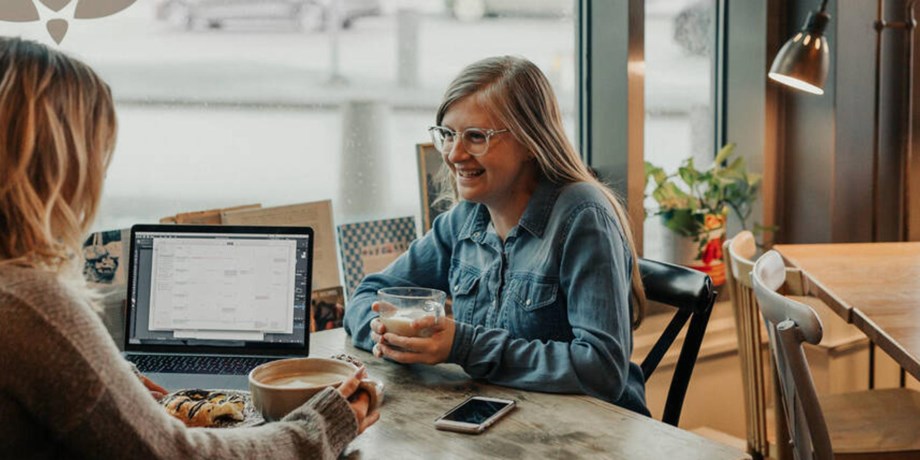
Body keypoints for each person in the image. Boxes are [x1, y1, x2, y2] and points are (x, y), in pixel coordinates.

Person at [0, 37, 378, 458]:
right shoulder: (30, 303)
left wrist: (110, 385)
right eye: (95, 153)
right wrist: (326, 423)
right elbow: (179, 455)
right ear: (57, 165)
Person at [344, 56, 650, 416]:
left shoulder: (584, 216)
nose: (454, 154)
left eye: (476, 137)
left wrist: (464, 345)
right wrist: (390, 336)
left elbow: (603, 369)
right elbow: (365, 296)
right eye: (447, 134)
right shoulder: (464, 220)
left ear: (532, 142)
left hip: (598, 435)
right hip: (503, 421)